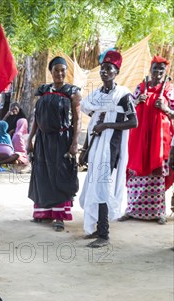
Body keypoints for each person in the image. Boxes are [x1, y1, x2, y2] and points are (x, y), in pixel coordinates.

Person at [79, 50, 138, 248]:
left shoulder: (123, 95)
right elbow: (94, 122)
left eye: (109, 69)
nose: (105, 72)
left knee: (103, 186)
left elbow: (133, 122)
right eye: (103, 69)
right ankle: (97, 228)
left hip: (112, 148)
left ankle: (104, 234)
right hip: (96, 146)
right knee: (95, 185)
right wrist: (85, 149)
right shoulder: (98, 95)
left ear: (116, 72)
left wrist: (107, 126)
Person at [27, 56, 81, 232]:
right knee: (42, 174)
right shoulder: (43, 91)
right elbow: (37, 117)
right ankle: (43, 213)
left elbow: (78, 120)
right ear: (50, 71)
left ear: (66, 72)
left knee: (60, 174)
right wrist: (30, 139)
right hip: (43, 140)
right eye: (56, 70)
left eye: (62, 70)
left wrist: (74, 143)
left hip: (62, 139)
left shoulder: (72, 92)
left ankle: (59, 216)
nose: (59, 73)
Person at [120, 55, 174, 225]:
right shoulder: (140, 87)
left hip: (159, 139)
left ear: (165, 72)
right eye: (155, 68)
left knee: (156, 173)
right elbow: (127, 110)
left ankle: (159, 212)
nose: (157, 72)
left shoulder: (169, 89)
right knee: (136, 169)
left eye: (161, 69)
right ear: (150, 70)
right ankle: (132, 210)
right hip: (138, 138)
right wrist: (137, 101)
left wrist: (165, 108)